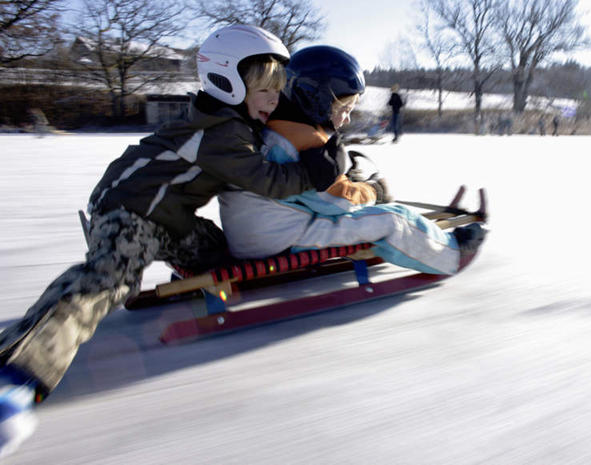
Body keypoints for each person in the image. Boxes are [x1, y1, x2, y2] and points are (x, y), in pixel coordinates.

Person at [0, 24, 345, 457]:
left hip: (170, 217)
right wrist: (320, 168)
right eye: (266, 92)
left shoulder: (228, 120)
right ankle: (17, 378)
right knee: (107, 284)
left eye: (278, 93)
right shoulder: (220, 132)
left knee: (222, 256)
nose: (274, 102)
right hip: (131, 213)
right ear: (228, 82)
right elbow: (271, 182)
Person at [220, 46, 486, 276]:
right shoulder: (304, 144)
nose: (346, 119)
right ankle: (450, 254)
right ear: (317, 100)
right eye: (343, 110)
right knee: (392, 220)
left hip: (249, 235)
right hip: (277, 241)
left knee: (368, 214)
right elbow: (338, 204)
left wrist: (351, 183)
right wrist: (373, 191)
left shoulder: (276, 130)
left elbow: (309, 195)